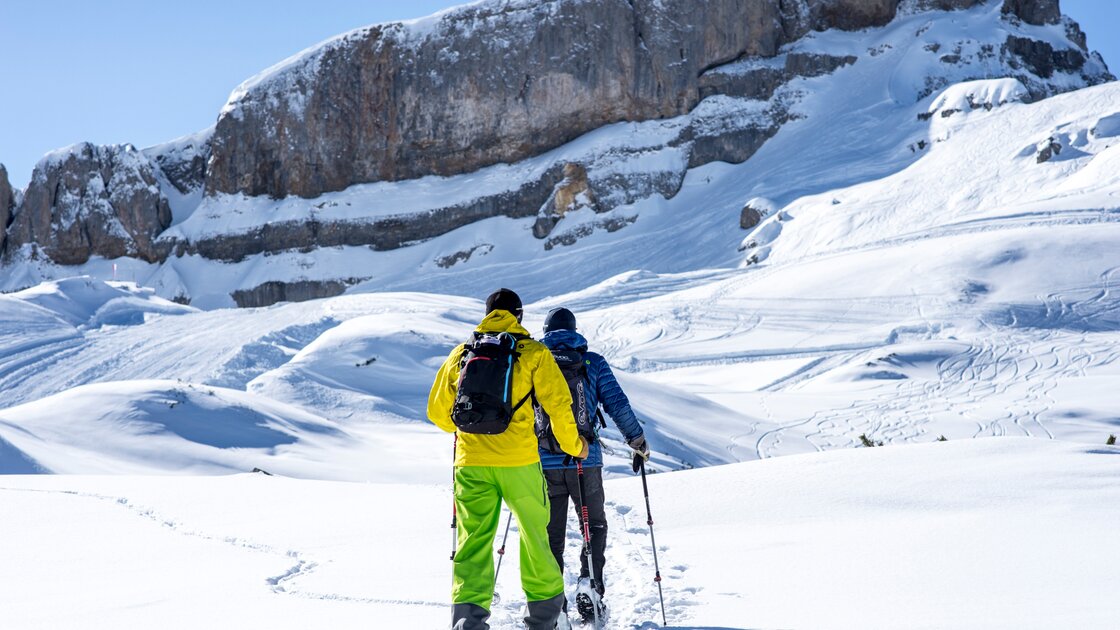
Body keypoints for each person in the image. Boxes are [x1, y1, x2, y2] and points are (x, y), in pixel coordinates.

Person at [428, 288, 589, 630]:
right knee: (535, 538)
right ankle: (543, 622)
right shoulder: (532, 352)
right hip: (519, 462)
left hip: (471, 465)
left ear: (486, 313)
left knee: (473, 542)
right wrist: (576, 446)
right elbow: (558, 406)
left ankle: (467, 623)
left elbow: (438, 415)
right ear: (519, 315)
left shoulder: (462, 353)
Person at [537, 307, 649, 622]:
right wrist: (637, 440)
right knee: (594, 524)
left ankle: (553, 600)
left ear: (546, 332)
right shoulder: (592, 362)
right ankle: (590, 585)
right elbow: (617, 404)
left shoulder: (535, 360)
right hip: (586, 460)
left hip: (544, 461)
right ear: (573, 330)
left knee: (551, 532)